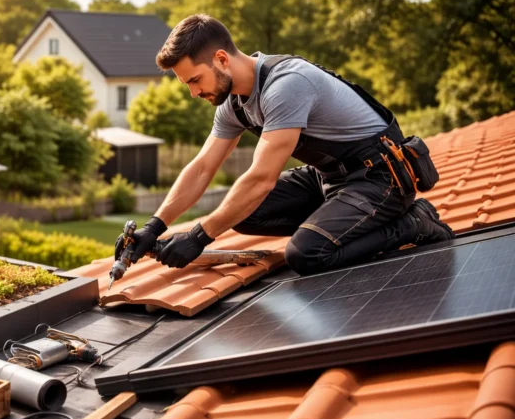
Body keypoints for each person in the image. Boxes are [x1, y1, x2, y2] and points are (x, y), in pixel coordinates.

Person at [117, 14, 454, 276]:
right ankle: (338, 223)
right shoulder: (233, 104)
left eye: (195, 80)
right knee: (242, 213)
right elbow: (203, 167)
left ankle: (414, 222)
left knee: (307, 254)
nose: (193, 93)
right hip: (331, 178)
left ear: (221, 59)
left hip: (380, 178)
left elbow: (261, 178)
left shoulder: (286, 85)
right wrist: (154, 226)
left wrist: (198, 237)